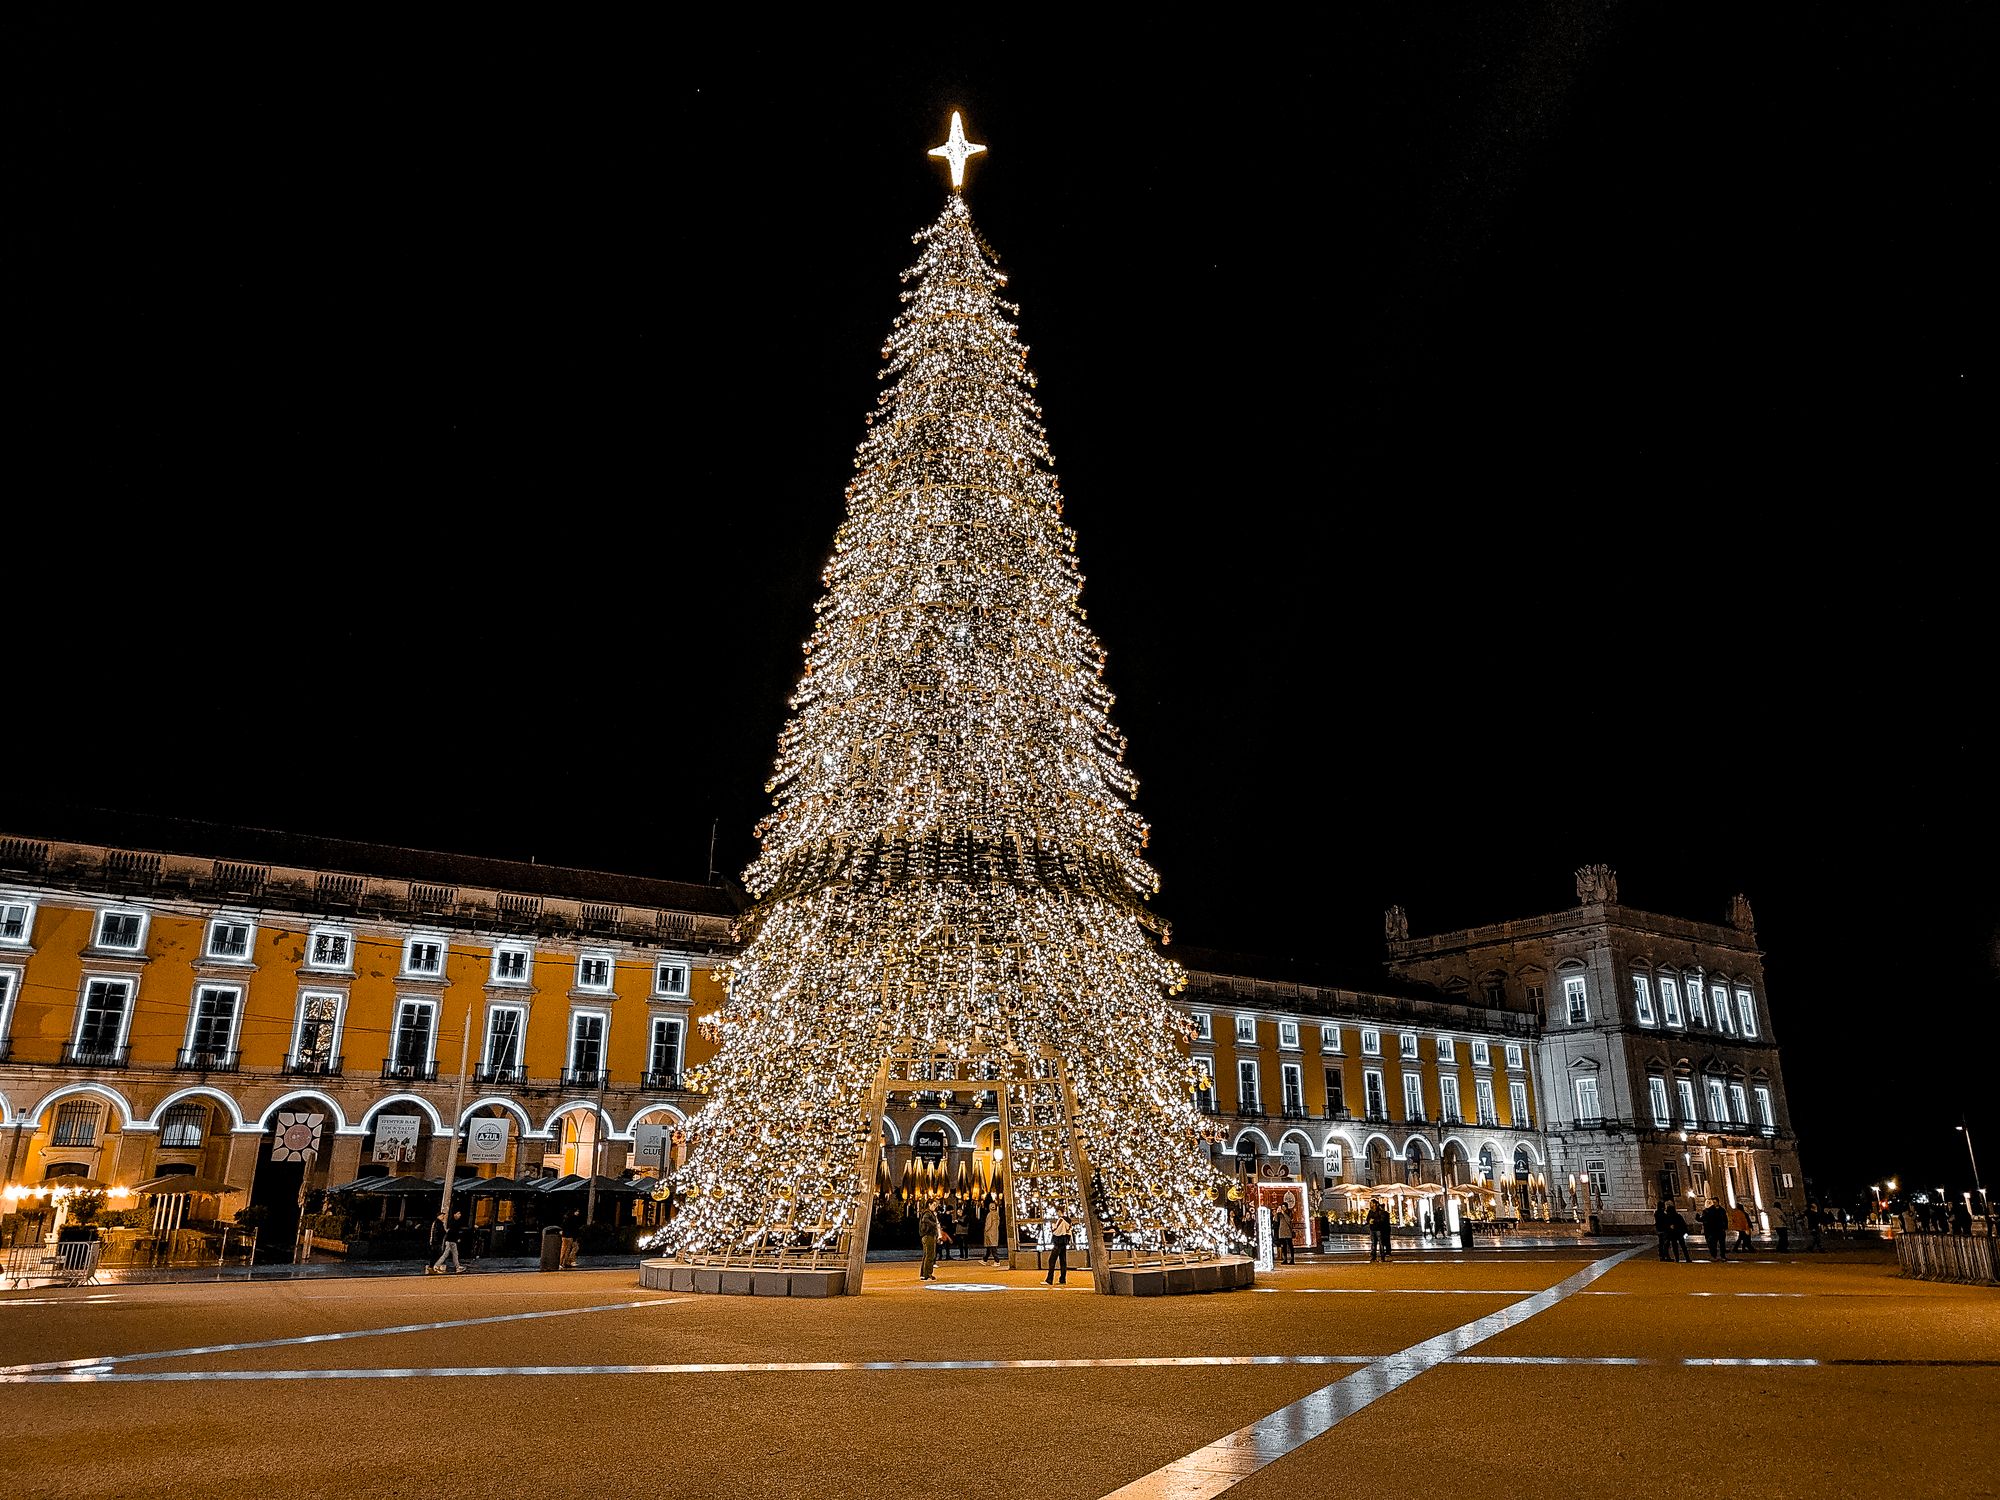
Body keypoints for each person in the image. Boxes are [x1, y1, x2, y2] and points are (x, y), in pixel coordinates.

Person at [916, 1197, 943, 1280]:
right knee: (930, 1255)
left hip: (928, 1235)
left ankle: (925, 1273)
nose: (935, 1207)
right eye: (934, 1205)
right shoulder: (928, 1213)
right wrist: (934, 1224)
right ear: (929, 1204)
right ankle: (926, 1274)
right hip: (928, 1235)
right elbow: (925, 1220)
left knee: (927, 1255)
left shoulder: (928, 1212)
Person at [1045, 1210, 1072, 1285]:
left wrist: (1053, 1226)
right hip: (1064, 1242)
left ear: (1060, 1211)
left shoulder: (1061, 1220)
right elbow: (1069, 1231)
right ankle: (1062, 1279)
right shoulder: (1069, 1220)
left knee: (1051, 1261)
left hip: (1058, 1242)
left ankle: (1049, 1279)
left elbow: (1056, 1230)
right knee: (1063, 1261)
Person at [982, 1195, 1002, 1265]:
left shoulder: (990, 1214)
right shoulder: (997, 1214)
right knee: (990, 1247)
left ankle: (997, 1261)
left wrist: (986, 1230)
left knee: (992, 1247)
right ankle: (985, 1260)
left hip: (990, 1232)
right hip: (995, 1232)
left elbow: (988, 1224)